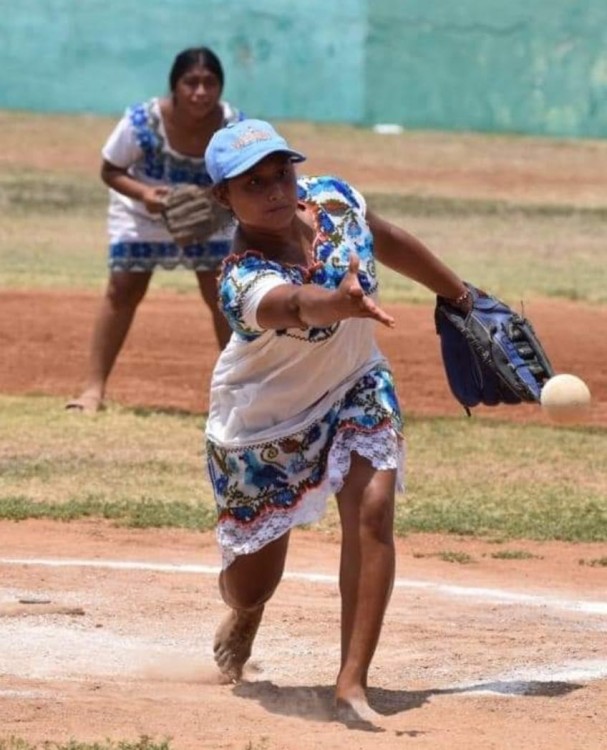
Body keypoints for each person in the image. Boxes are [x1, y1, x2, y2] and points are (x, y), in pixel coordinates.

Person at [202, 119, 473, 722]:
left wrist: (461, 295)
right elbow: (296, 303)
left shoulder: (333, 201)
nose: (276, 189)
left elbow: (385, 238)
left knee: (373, 508)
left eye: (282, 173)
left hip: (355, 385)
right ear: (223, 197)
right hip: (262, 424)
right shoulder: (241, 277)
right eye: (254, 183)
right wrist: (340, 302)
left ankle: (351, 685)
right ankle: (246, 611)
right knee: (252, 583)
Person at [66, 46, 244, 413]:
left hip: (207, 215)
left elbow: (246, 177)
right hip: (141, 210)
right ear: (174, 86)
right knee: (123, 289)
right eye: (190, 82)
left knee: (222, 297)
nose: (200, 91)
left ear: (221, 87)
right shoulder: (142, 122)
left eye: (210, 82)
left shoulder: (233, 125)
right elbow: (110, 170)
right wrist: (146, 193)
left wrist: (215, 204)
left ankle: (239, 396)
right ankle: (92, 390)